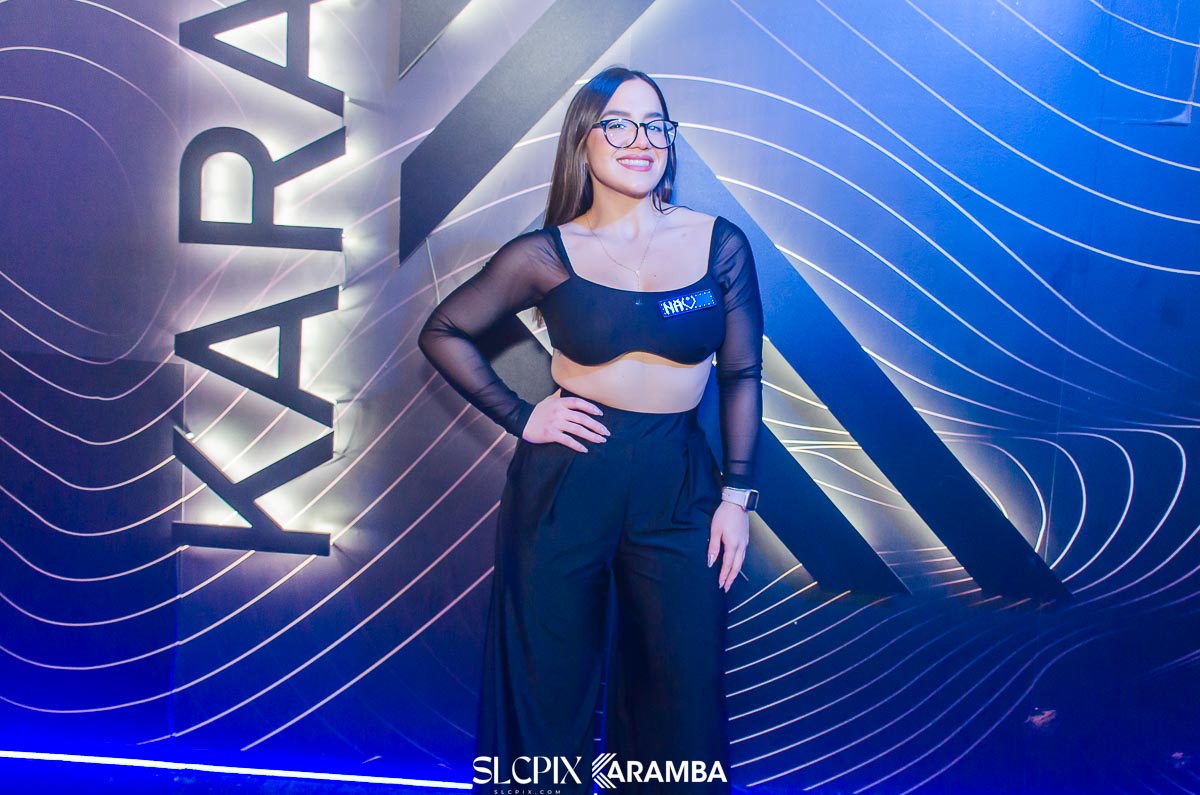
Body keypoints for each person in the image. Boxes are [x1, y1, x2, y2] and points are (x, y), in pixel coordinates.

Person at [418, 66, 762, 794]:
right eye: (619, 125)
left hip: (679, 483)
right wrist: (524, 416)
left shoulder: (720, 244)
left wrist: (736, 497)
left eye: (656, 126)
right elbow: (443, 330)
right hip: (569, 477)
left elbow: (741, 374)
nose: (641, 141)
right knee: (546, 685)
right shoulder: (545, 253)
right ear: (583, 140)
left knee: (682, 691)